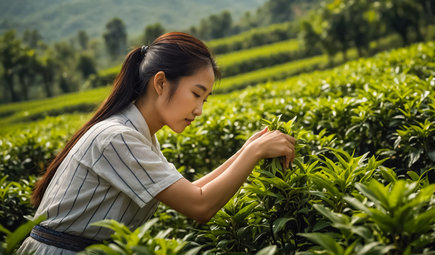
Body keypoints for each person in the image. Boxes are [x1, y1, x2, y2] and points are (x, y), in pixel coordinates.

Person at [18, 32, 296, 254]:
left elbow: (190, 191)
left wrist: (247, 148)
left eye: (205, 99)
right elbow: (200, 206)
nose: (199, 110)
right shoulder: (118, 138)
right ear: (161, 83)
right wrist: (255, 151)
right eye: (196, 94)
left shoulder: (139, 135)